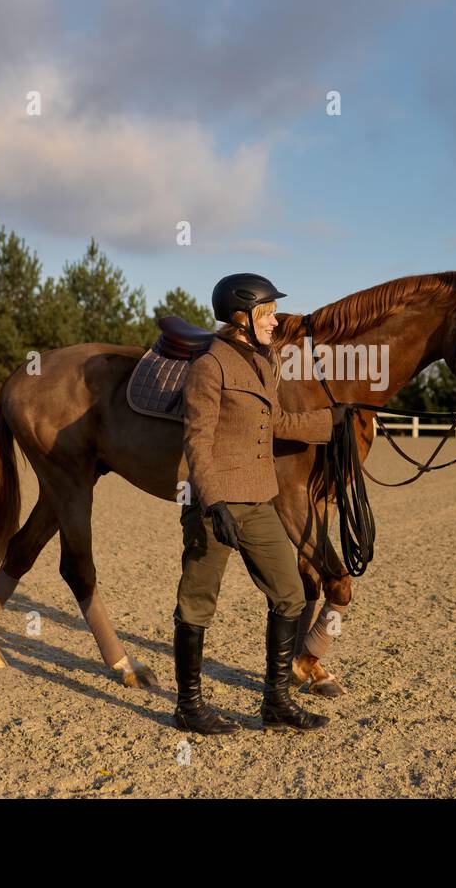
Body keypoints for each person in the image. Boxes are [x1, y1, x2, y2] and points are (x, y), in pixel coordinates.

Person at [174, 273, 350, 733]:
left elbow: (276, 422)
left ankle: (276, 702)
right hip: (217, 506)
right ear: (241, 317)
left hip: (259, 500)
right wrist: (213, 504)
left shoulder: (263, 362)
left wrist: (330, 422)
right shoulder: (209, 366)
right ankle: (188, 707)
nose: (275, 321)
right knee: (197, 603)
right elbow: (197, 440)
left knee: (289, 594)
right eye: (267, 313)